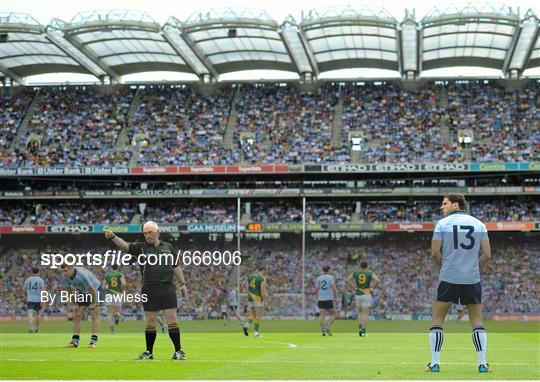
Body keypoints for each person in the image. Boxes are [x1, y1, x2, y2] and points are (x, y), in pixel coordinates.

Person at [105, 221, 188, 361]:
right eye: (145, 233)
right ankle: (149, 352)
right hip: (149, 289)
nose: (148, 235)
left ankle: (179, 351)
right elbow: (125, 245)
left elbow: (176, 266)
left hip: (167, 287)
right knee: (150, 321)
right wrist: (113, 236)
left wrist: (183, 283)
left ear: (157, 232)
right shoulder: (140, 247)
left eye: (150, 232)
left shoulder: (168, 247)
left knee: (172, 319)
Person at [428, 193, 491, 373]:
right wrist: (475, 270)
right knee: (477, 321)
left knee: (438, 320)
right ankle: (482, 364)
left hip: (448, 278)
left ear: (456, 205)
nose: (442, 207)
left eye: (445, 203)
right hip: (471, 279)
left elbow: (434, 253)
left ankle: (435, 363)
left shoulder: (442, 224)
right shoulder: (479, 224)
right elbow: (487, 255)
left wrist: (444, 268)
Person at [61, 265, 103, 348]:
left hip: (95, 290)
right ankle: (74, 341)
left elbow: (91, 289)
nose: (64, 273)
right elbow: (69, 290)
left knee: (95, 314)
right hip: (83, 292)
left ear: (71, 269)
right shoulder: (65, 276)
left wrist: (94, 303)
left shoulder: (81, 275)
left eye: (65, 271)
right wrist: (74, 303)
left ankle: (93, 342)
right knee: (77, 315)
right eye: (63, 271)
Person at [346, 261, 380, 337]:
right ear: (367, 266)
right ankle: (363, 332)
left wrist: (354, 288)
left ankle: (360, 329)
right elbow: (377, 280)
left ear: (360, 266)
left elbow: (347, 280)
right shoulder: (369, 272)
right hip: (366, 294)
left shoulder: (356, 272)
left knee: (360, 313)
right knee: (365, 314)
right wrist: (372, 287)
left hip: (358, 295)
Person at [245, 267, 268, 337]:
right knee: (258, 316)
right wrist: (265, 301)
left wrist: (250, 296)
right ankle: (256, 333)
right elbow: (263, 291)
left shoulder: (250, 276)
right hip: (257, 298)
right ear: (263, 271)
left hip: (250, 297)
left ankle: (246, 326)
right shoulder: (262, 278)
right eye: (265, 272)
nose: (265, 273)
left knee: (252, 315)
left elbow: (247, 288)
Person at [315, 265, 337, 336]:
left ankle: (323, 330)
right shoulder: (331, 277)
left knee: (322, 315)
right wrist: (335, 296)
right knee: (334, 314)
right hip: (328, 298)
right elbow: (334, 287)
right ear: (329, 270)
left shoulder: (318, 278)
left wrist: (318, 296)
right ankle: (328, 326)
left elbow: (317, 289)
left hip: (320, 298)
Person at [104, 264, 126, 334]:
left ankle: (112, 329)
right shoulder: (120, 274)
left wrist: (107, 287)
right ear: (118, 268)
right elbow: (124, 284)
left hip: (109, 295)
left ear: (111, 268)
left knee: (110, 313)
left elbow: (103, 285)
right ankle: (117, 315)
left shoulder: (107, 275)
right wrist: (122, 290)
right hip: (118, 294)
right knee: (117, 311)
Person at [24, 267, 45, 333]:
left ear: (31, 271)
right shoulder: (40, 280)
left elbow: (24, 289)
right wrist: (43, 299)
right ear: (38, 272)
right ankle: (37, 328)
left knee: (30, 313)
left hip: (30, 298)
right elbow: (43, 290)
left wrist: (28, 292)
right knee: (37, 314)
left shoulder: (28, 279)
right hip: (38, 299)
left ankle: (30, 327)